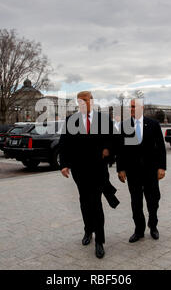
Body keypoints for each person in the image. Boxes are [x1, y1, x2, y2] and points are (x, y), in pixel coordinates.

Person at [58, 91, 116, 259]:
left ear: (91, 101)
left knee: (96, 202)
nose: (82, 103)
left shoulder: (103, 119)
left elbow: (114, 138)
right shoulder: (71, 121)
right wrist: (64, 165)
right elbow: (64, 144)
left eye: (85, 100)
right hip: (79, 170)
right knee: (84, 201)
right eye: (79, 101)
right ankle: (87, 231)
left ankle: (100, 240)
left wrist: (108, 149)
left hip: (98, 168)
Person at [116, 99, 166, 243]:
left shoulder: (153, 124)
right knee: (136, 203)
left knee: (153, 201)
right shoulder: (125, 126)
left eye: (134, 106)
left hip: (151, 171)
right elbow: (121, 150)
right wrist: (121, 169)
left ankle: (153, 225)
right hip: (133, 172)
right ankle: (139, 230)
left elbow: (161, 148)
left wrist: (162, 167)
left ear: (141, 108)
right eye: (130, 107)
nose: (132, 109)